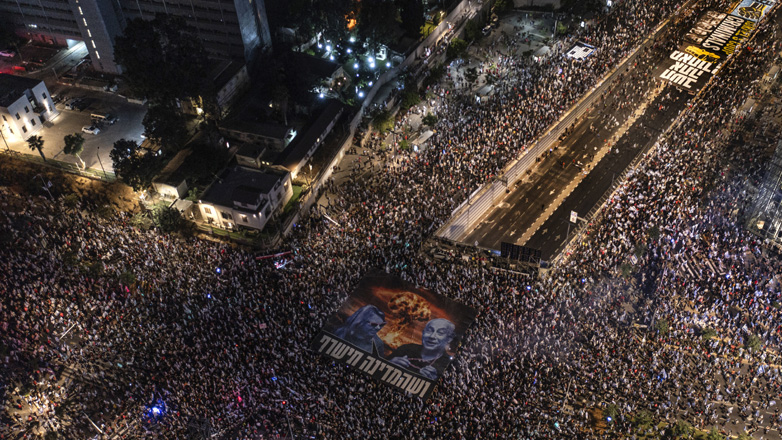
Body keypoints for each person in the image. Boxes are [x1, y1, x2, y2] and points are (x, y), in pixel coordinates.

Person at [388, 318, 455, 380]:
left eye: (440, 333)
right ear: (423, 332)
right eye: (429, 331)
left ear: (449, 339)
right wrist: (389, 364)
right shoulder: (406, 349)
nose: (432, 336)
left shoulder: (447, 364)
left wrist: (434, 381)